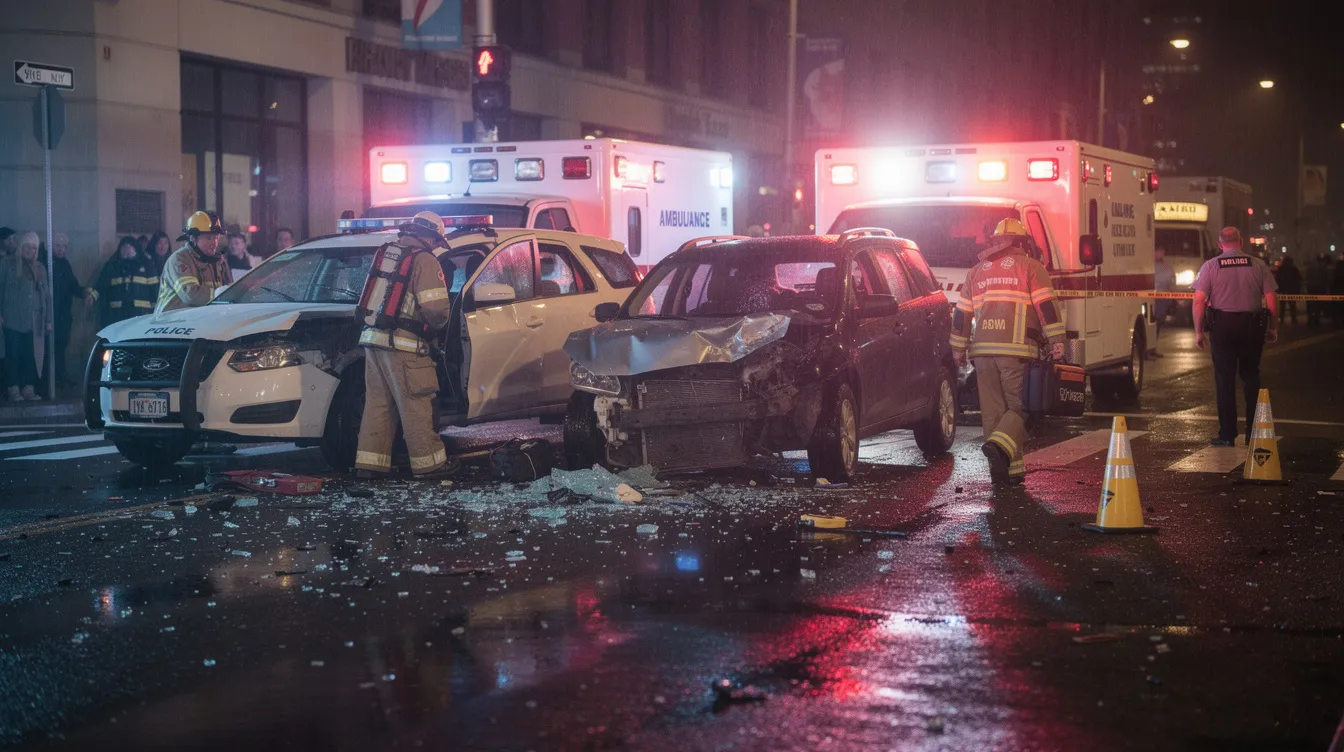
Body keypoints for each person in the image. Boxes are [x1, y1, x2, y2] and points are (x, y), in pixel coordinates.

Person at [949, 218, 1067, 485]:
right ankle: (999, 449)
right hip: (1016, 351)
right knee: (1023, 408)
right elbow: (1046, 307)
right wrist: (1057, 341)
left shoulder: (977, 271)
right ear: (1021, 241)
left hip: (982, 353)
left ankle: (1006, 472)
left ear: (995, 242)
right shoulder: (1031, 267)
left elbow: (961, 315)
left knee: (994, 413)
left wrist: (958, 349)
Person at [353, 211, 457, 481]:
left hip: (373, 340)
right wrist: (440, 327)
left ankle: (370, 465)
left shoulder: (388, 252)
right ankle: (429, 465)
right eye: (437, 241)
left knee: (377, 404)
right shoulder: (425, 260)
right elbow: (435, 309)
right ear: (430, 237)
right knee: (417, 404)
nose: (436, 246)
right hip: (406, 346)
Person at [1192, 227, 1278, 447]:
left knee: (1225, 380)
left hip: (1223, 327)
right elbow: (1271, 298)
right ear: (1241, 242)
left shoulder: (1210, 266)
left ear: (1220, 244)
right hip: (1252, 326)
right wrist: (1273, 327)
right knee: (1251, 377)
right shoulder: (1258, 264)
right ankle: (1253, 432)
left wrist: (1199, 331)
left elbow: (1199, 301)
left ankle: (1227, 434)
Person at [0, 232, 52, 401]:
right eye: (28, 247)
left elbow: (46, 296)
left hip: (33, 321)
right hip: (12, 318)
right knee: (13, 354)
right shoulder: (7, 264)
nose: (31, 251)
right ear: (22, 246)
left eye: (34, 248)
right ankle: (13, 388)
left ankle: (28, 388)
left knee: (31, 356)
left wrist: (48, 320)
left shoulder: (40, 268)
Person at [157, 211, 231, 313]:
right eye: (209, 238)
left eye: (216, 237)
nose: (214, 242)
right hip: (171, 320)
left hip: (201, 319)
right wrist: (218, 294)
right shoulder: (180, 259)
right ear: (193, 238)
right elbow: (190, 295)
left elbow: (232, 291)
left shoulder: (219, 262)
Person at [50, 233, 96, 385]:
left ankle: (59, 375)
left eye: (64, 247)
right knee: (48, 347)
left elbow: (73, 286)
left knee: (61, 345)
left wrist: (85, 293)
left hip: (63, 313)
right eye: (58, 246)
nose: (61, 250)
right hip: (49, 313)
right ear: (51, 245)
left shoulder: (65, 265)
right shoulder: (45, 263)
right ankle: (48, 379)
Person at [94, 236, 160, 326]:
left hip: (142, 315)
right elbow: (100, 286)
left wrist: (155, 311)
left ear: (136, 250)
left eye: (130, 247)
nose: (127, 250)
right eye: (124, 247)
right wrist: (91, 296)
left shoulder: (147, 265)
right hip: (117, 316)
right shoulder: (112, 266)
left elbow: (155, 290)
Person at [1153, 245, 1176, 357]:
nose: (1161, 254)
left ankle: (1152, 347)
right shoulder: (1164, 268)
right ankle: (1151, 348)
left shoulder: (1166, 267)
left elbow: (1171, 283)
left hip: (1161, 299)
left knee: (1158, 323)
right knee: (1156, 323)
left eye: (1162, 252)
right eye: (1159, 251)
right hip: (1156, 299)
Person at [1274, 256, 1301, 325]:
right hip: (1291, 290)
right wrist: (1297, 290)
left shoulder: (1281, 269)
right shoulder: (1293, 269)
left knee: (1282, 306)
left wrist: (1278, 289)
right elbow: (1298, 280)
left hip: (1283, 290)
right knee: (1292, 306)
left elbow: (1277, 279)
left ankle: (1282, 319)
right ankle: (1293, 319)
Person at [1305, 253, 1330, 327]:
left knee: (1310, 304)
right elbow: (1325, 278)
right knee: (1318, 304)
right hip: (1320, 288)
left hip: (1311, 287)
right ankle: (1316, 319)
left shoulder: (1311, 266)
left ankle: (1310, 319)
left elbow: (1308, 276)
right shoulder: (1324, 266)